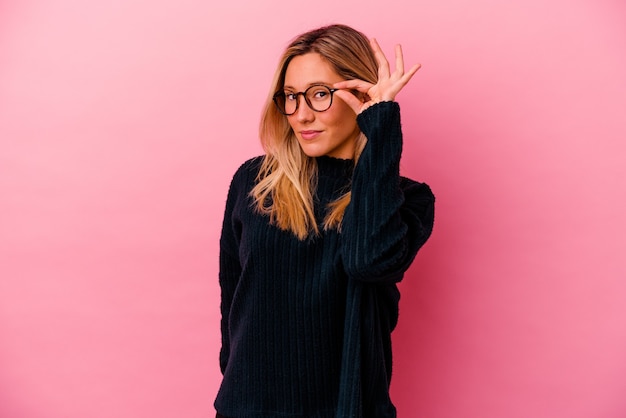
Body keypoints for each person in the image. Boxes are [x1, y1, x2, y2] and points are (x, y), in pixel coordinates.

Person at [215, 24, 435, 418]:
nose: (301, 114)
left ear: (362, 94)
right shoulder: (255, 182)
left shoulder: (407, 200)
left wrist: (380, 127)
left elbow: (367, 261)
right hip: (246, 409)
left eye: (320, 95)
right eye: (290, 97)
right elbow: (232, 299)